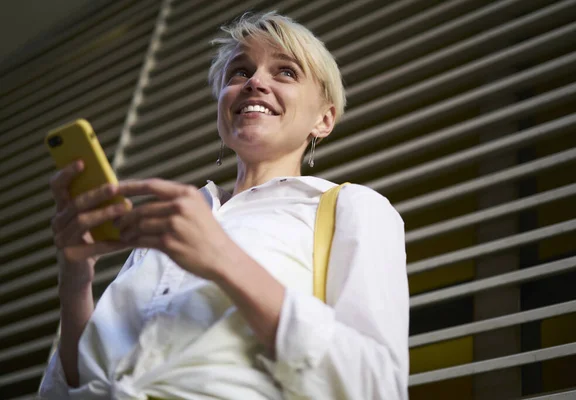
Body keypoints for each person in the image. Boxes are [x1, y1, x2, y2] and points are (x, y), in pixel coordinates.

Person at [39, 12, 409, 400]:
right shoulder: (171, 224)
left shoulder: (354, 208)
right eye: (239, 72)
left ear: (324, 119)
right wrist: (76, 280)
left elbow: (377, 385)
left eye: (285, 72)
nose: (254, 82)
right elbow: (70, 389)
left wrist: (223, 259)